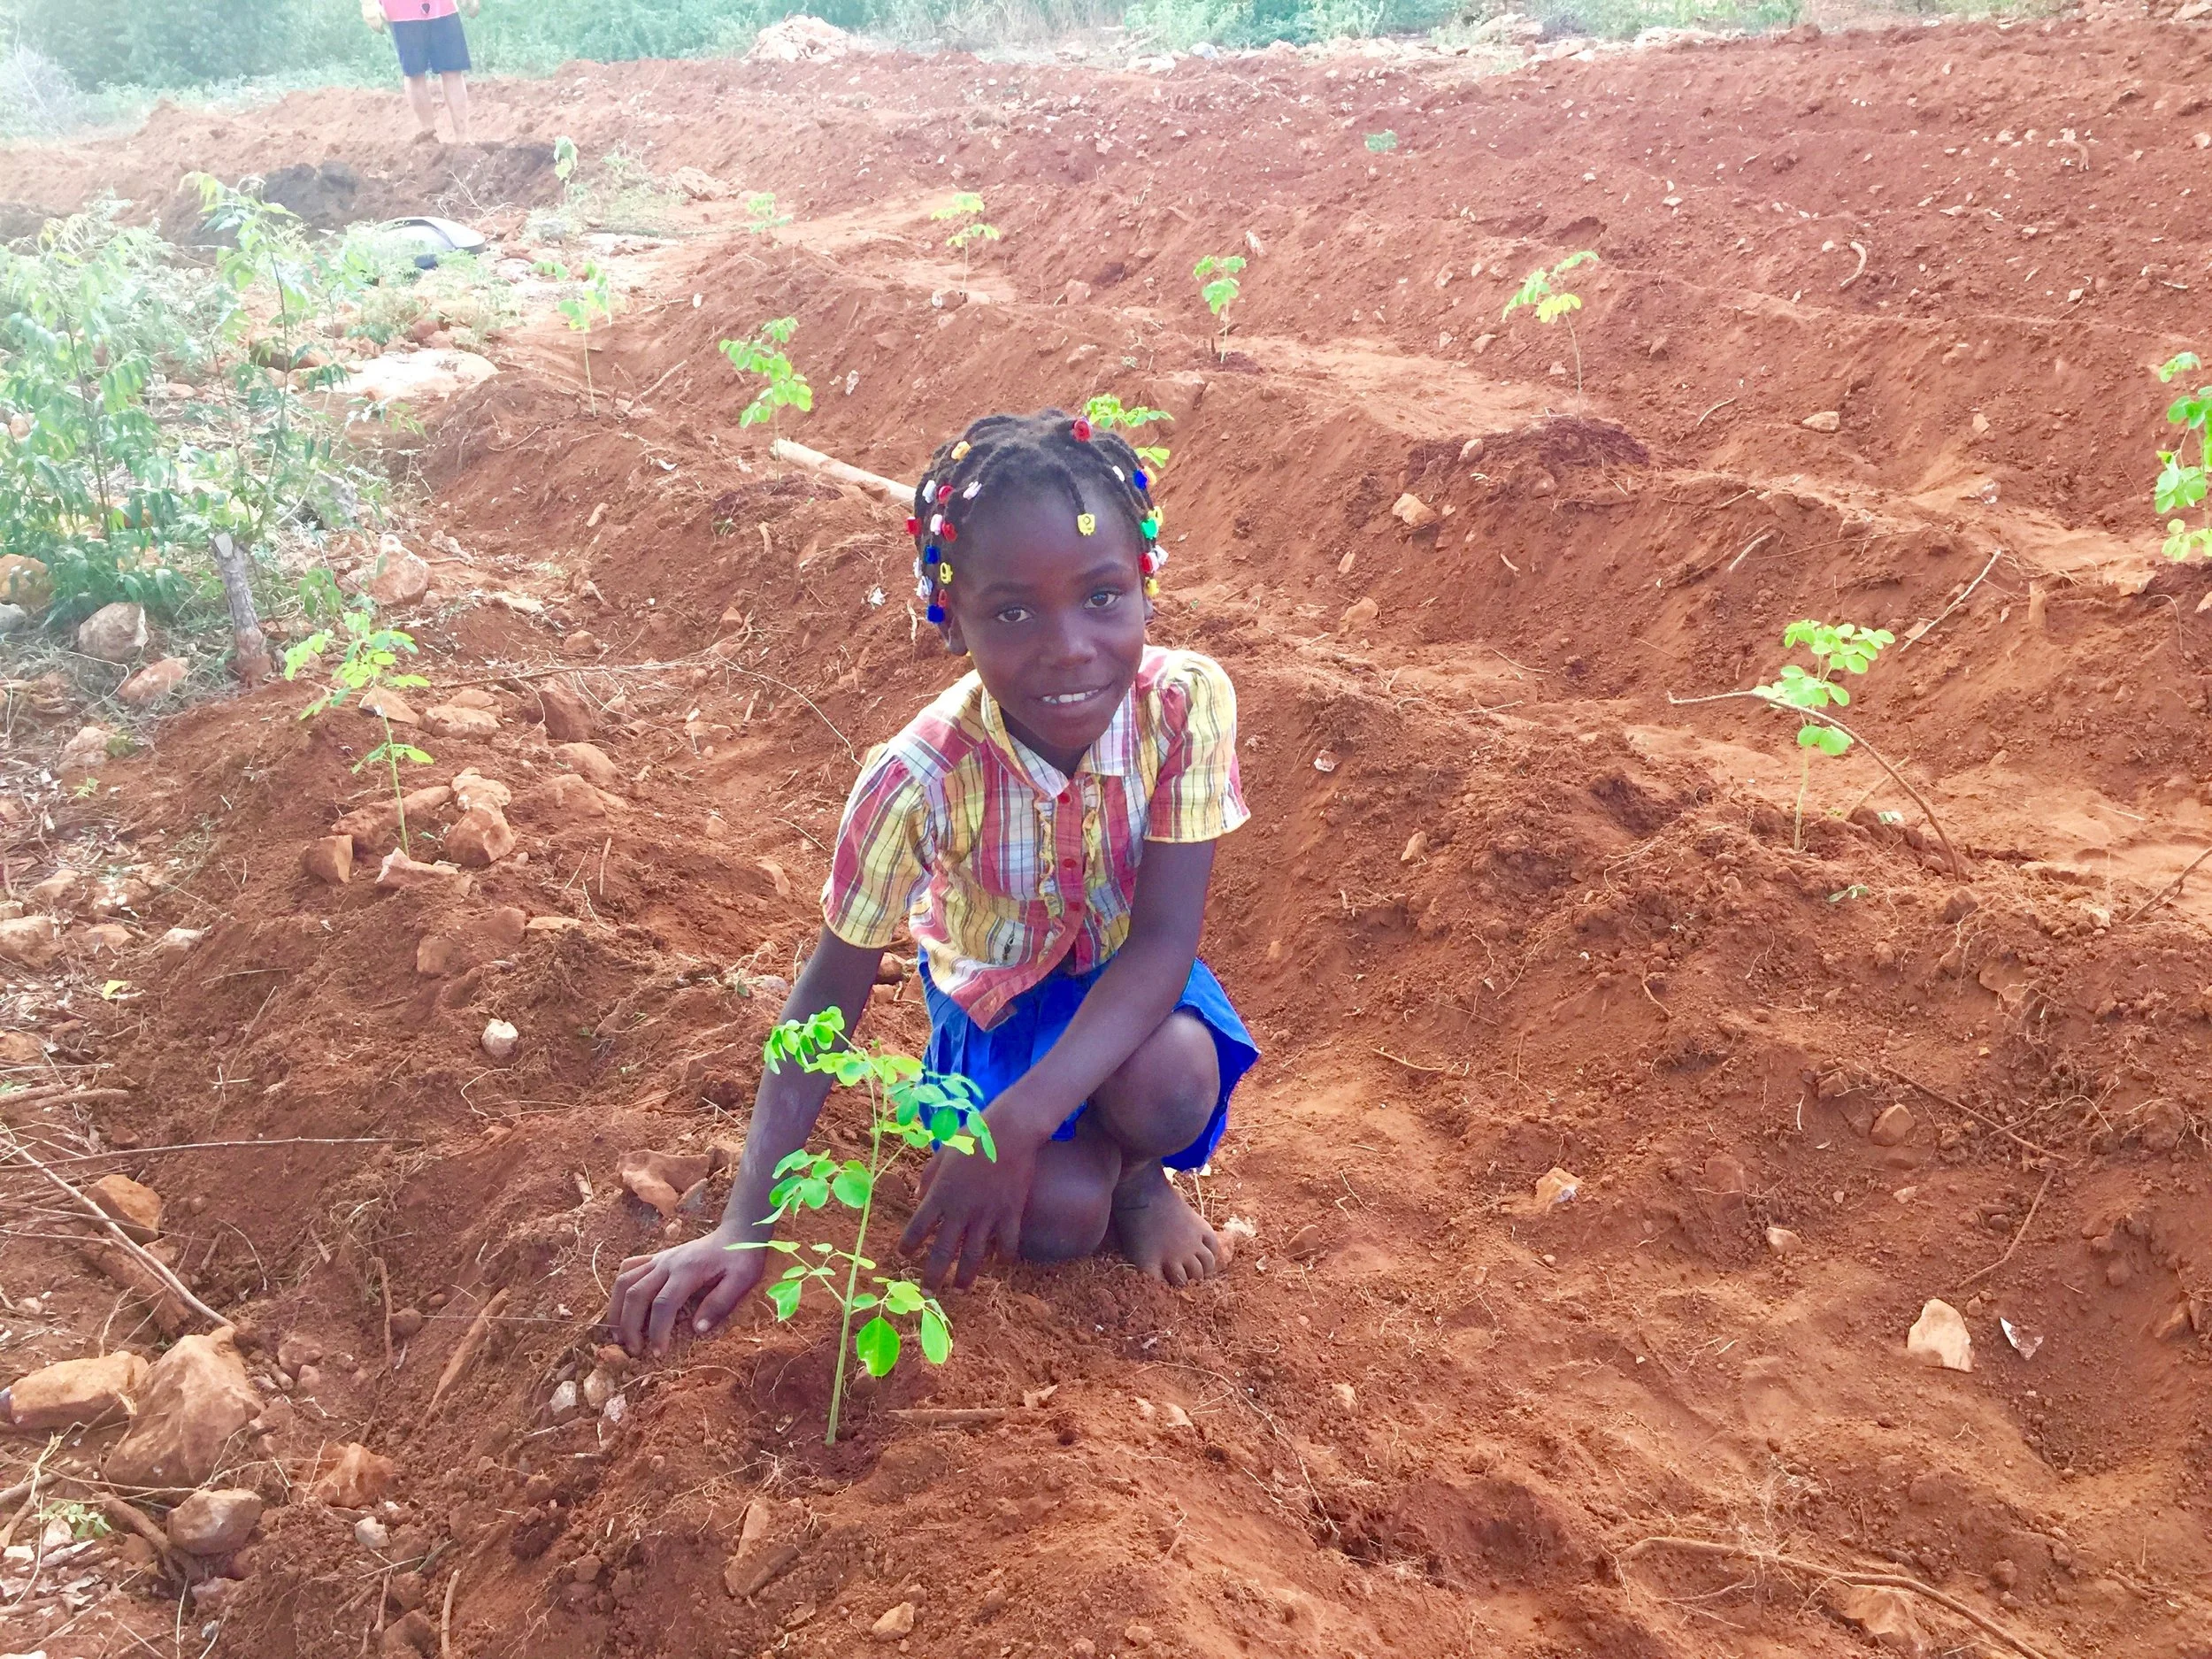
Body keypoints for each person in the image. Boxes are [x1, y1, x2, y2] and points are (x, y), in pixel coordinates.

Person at [608, 410, 1259, 1358]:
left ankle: (1136, 1176)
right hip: (998, 1009)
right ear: (949, 619)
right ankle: (1095, 1183)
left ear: (1145, 587)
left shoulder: (1185, 703)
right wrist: (747, 1221)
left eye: (1103, 596)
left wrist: (1018, 1121)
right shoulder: (916, 779)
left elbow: (1163, 944)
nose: (1069, 646)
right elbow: (827, 995)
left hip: (1134, 991)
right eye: (1012, 612)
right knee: (1055, 1224)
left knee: (1172, 1083)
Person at [364, 0, 473, 144]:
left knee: (452, 70)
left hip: (443, 6)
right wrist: (368, 4)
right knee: (414, 72)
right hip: (401, 10)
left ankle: (463, 139)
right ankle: (429, 137)